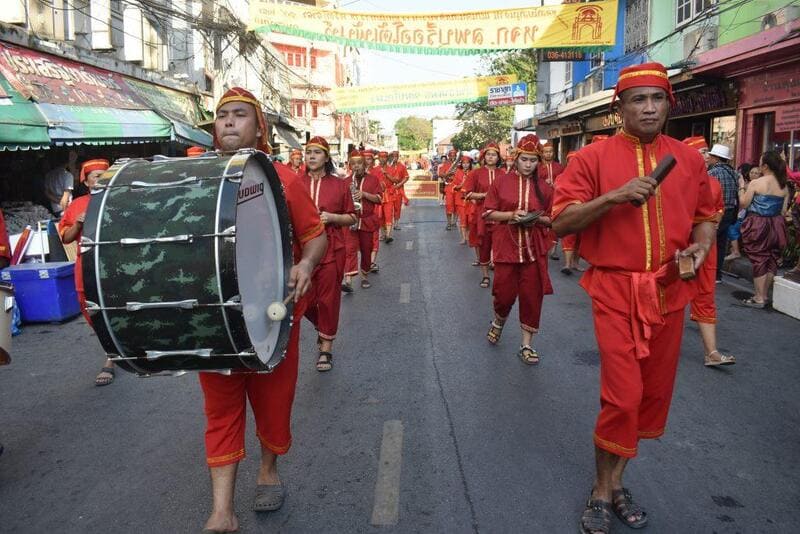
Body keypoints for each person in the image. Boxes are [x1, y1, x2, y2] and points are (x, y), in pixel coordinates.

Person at [550, 62, 718, 534]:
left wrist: (701, 246)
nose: (649, 108)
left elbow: (708, 215)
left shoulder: (688, 160)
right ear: (618, 107)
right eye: (638, 100)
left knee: (650, 399)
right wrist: (614, 197)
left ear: (669, 104)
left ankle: (618, 482)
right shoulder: (590, 160)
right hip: (615, 291)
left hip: (670, 291)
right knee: (622, 397)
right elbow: (561, 222)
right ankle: (601, 491)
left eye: (657, 99)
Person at [197, 87, 326, 533]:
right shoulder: (198, 175)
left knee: (273, 405)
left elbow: (315, 235)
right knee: (221, 409)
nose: (229, 122)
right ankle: (222, 511)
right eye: (223, 116)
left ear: (259, 128)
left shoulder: (282, 178)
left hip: (273, 314)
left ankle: (268, 469)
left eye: (240, 115)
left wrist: (306, 263)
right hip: (215, 320)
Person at [484, 134, 554, 365]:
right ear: (516, 158)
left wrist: (538, 220)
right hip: (506, 249)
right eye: (524, 159)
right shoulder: (501, 183)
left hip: (534, 251)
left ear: (538, 162)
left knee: (532, 298)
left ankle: (526, 344)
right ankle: (498, 321)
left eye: (533, 161)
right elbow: (488, 212)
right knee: (503, 295)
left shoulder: (545, 188)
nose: (528, 164)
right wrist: (511, 215)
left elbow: (552, 218)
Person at [299, 137, 357, 372]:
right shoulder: (294, 183)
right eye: (308, 152)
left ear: (326, 157)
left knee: (328, 299)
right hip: (301, 251)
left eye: (316, 153)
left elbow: (352, 217)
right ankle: (322, 327)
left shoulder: (339, 184)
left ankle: (326, 348)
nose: (311, 156)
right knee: (303, 300)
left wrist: (332, 218)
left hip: (331, 248)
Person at [58, 159, 114, 385]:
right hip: (85, 265)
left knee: (112, 306)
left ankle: (111, 357)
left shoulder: (115, 200)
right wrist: (78, 225)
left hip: (112, 264)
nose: (100, 179)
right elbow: (66, 237)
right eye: (96, 176)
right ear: (87, 181)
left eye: (104, 175)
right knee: (89, 308)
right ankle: (110, 346)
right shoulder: (77, 204)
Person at [683, 137, 736, 367]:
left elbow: (720, 209)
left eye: (707, 152)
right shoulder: (676, 181)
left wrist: (711, 226)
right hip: (681, 248)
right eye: (702, 151)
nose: (706, 156)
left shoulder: (712, 182)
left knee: (705, 295)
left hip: (706, 248)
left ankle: (711, 352)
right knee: (667, 294)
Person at [737, 150, 790, 308]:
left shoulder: (756, 183)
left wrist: (741, 188)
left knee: (759, 259)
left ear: (765, 166)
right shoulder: (783, 185)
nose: (758, 165)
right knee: (771, 259)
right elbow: (783, 211)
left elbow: (744, 204)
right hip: (777, 223)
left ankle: (759, 297)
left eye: (760, 162)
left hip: (758, 223)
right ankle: (764, 295)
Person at [464, 142, 504, 287]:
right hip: (482, 214)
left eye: (494, 155)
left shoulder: (504, 173)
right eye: (488, 154)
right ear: (484, 156)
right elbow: (468, 193)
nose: (491, 157)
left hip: (501, 215)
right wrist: (484, 195)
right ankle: (486, 276)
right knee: (484, 245)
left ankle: (500, 277)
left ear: (498, 157)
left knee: (500, 246)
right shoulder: (476, 173)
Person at [343, 150, 383, 289]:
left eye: (359, 163)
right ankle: (348, 280)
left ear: (364, 164)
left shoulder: (373, 180)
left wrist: (364, 194)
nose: (356, 166)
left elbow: (379, 199)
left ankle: (364, 276)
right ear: (349, 166)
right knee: (349, 249)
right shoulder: (345, 182)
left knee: (366, 250)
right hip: (350, 221)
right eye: (353, 164)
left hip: (366, 220)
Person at [707, 144, 739, 282]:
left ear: (716, 158)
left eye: (711, 156)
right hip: (730, 211)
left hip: (717, 211)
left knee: (710, 243)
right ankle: (717, 275)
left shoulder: (713, 173)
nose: (708, 158)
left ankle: (708, 273)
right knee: (721, 243)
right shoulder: (734, 173)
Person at [560, 151, 585, 275]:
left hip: (584, 210)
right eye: (570, 161)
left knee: (580, 238)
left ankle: (575, 263)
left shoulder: (585, 176)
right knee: (569, 237)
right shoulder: (562, 176)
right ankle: (567, 264)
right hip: (568, 210)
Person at [43, 151, 78, 218]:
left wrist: (58, 201)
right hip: (64, 209)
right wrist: (65, 212)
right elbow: (66, 196)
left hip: (54, 208)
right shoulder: (67, 175)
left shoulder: (49, 174)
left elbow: (47, 193)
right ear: (68, 162)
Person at [377, 151, 398, 243]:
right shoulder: (374, 170)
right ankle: (382, 234)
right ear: (378, 158)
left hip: (389, 195)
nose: (382, 159)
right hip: (378, 196)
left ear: (387, 159)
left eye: (384, 157)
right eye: (381, 157)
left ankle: (388, 235)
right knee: (380, 216)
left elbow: (396, 180)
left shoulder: (391, 169)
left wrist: (386, 174)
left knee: (389, 214)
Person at [453, 155, 473, 245]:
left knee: (470, 220)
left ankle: (468, 237)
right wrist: (462, 183)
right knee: (463, 219)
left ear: (470, 164)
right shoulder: (458, 172)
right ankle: (463, 238)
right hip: (460, 200)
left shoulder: (473, 173)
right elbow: (454, 187)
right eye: (464, 163)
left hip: (471, 200)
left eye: (467, 163)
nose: (465, 165)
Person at [389, 150, 410, 229]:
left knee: (397, 207)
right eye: (393, 156)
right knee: (389, 207)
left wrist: (399, 185)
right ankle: (388, 223)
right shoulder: (387, 166)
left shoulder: (402, 166)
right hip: (389, 190)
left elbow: (406, 177)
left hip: (398, 190)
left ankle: (396, 223)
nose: (394, 158)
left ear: (398, 157)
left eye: (396, 156)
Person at [438, 149, 459, 225]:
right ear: (449, 156)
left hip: (458, 187)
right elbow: (440, 174)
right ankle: (449, 222)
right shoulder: (446, 164)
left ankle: (454, 222)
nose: (452, 157)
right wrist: (447, 174)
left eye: (454, 155)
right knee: (449, 205)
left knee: (457, 205)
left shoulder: (459, 165)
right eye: (451, 155)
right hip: (449, 186)